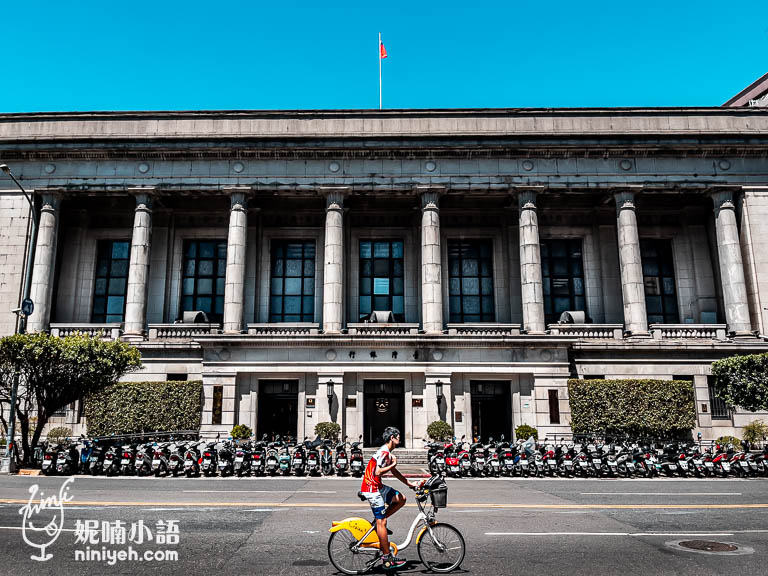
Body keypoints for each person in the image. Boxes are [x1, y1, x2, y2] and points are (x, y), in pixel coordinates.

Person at [360, 426, 417, 570]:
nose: (400, 438)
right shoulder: (385, 452)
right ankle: (387, 559)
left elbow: (394, 472)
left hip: (377, 486)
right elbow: (378, 472)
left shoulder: (387, 452)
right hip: (372, 488)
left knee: (401, 499)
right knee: (382, 521)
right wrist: (393, 463)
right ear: (392, 438)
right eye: (398, 436)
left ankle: (377, 526)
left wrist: (409, 483)